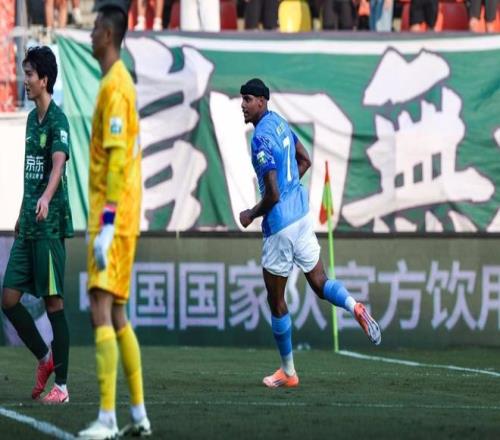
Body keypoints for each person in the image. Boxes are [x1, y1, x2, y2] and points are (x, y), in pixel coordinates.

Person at [239, 78, 381, 388]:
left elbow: (272, 195)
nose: (243, 105)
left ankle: (288, 372)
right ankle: (354, 306)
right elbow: (305, 160)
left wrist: (250, 213)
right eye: (242, 99)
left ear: (262, 101)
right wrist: (291, 188)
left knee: (276, 301)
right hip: (302, 216)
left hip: (280, 226)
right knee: (320, 282)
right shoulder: (279, 123)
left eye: (248, 99)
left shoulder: (260, 139)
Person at [77, 0, 151, 438]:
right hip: (118, 215)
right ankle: (138, 415)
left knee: (100, 309)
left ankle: (108, 417)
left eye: (94, 30)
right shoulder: (115, 83)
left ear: (107, 35)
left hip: (114, 217)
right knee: (118, 313)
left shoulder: (116, 87)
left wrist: (106, 223)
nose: (90, 36)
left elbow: (119, 158)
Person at [1, 46, 73, 403]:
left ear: (44, 79)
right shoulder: (31, 119)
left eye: (29, 74)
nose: (24, 80)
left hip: (49, 226)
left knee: (53, 304)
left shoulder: (58, 120)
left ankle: (62, 386)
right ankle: (45, 358)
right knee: (8, 299)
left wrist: (45, 198)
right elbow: (31, 172)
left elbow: (58, 163)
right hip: (28, 223)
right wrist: (23, 209)